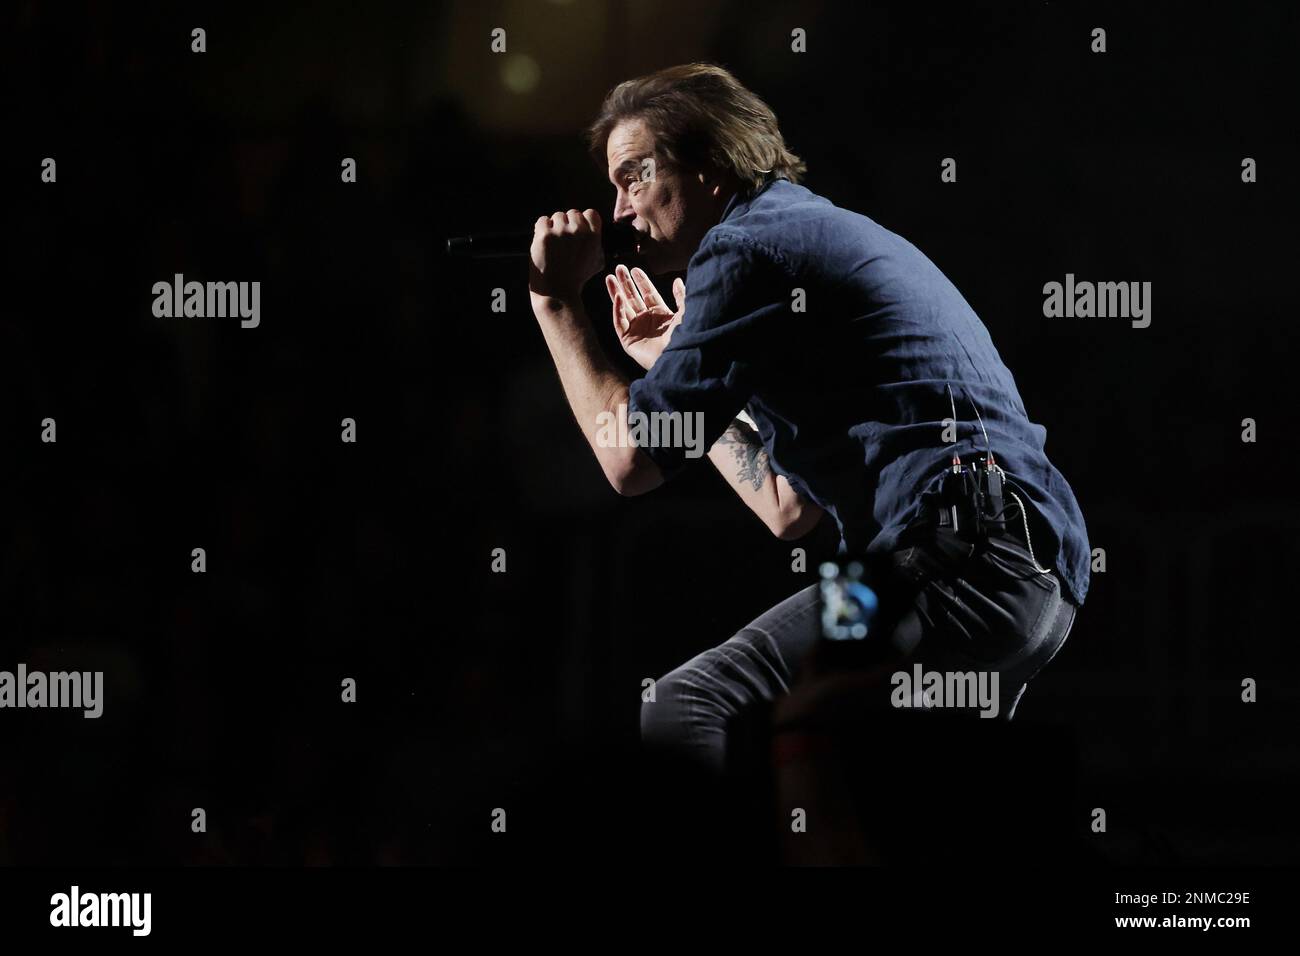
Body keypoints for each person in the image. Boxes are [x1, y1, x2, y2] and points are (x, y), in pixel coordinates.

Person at [527, 62, 1090, 779]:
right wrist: (673, 363)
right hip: (1023, 574)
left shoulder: (745, 249)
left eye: (634, 176)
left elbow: (629, 461)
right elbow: (786, 508)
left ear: (710, 165)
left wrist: (555, 305)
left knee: (689, 705)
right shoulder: (798, 238)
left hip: (953, 562)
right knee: (857, 788)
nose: (617, 212)